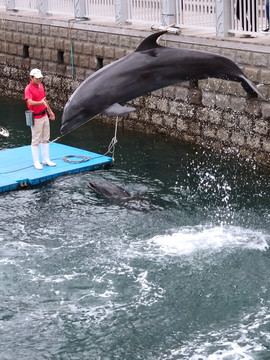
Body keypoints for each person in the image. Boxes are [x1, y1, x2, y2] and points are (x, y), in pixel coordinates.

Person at [24, 68, 56, 170]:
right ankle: (36, 162)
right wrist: (41, 103)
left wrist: (50, 111)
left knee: (46, 138)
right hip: (36, 117)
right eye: (37, 78)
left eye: (40, 78)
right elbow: (29, 102)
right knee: (36, 140)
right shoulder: (28, 89)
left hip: (44, 115)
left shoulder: (41, 86)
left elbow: (44, 100)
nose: (39, 80)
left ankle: (46, 159)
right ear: (31, 78)